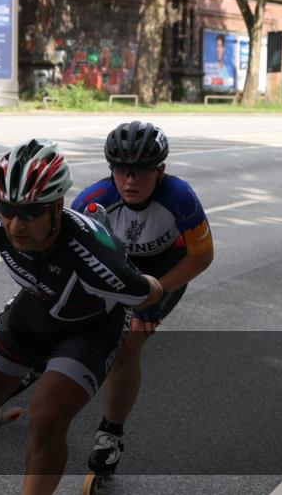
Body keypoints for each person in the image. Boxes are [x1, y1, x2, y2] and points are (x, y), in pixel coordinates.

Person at [0, 138, 164, 495]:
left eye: (30, 212)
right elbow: (16, 236)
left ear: (56, 206)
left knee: (47, 419)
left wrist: (132, 275)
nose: (15, 225)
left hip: (94, 327)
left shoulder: (96, 259)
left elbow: (151, 291)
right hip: (40, 306)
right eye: (7, 209)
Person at [71, 121, 214, 477]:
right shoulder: (92, 200)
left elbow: (202, 256)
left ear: (160, 171)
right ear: (111, 171)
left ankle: (110, 435)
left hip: (166, 270)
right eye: (121, 170)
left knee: (130, 342)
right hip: (117, 267)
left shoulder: (179, 198)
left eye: (141, 172)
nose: (130, 180)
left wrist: (154, 294)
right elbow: (69, 255)